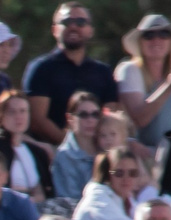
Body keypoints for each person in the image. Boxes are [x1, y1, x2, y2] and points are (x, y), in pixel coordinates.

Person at [25, 2, 119, 144]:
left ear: (90, 31)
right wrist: (71, 149)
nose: (73, 26)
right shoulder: (41, 68)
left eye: (80, 22)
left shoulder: (103, 72)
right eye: (66, 22)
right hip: (53, 150)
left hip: (97, 150)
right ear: (55, 29)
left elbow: (110, 117)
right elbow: (37, 120)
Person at [119, 14, 171, 159]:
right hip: (143, 159)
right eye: (149, 35)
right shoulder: (129, 70)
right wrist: (169, 87)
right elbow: (140, 119)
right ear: (140, 42)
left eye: (164, 34)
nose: (156, 40)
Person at [0, 90, 55, 196]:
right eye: (12, 112)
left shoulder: (37, 152)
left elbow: (45, 192)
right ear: (1, 116)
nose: (19, 116)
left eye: (23, 111)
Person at [54, 93, 109, 197]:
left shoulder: (107, 147)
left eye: (95, 114)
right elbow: (69, 199)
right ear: (70, 118)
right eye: (83, 115)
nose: (90, 120)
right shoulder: (65, 155)